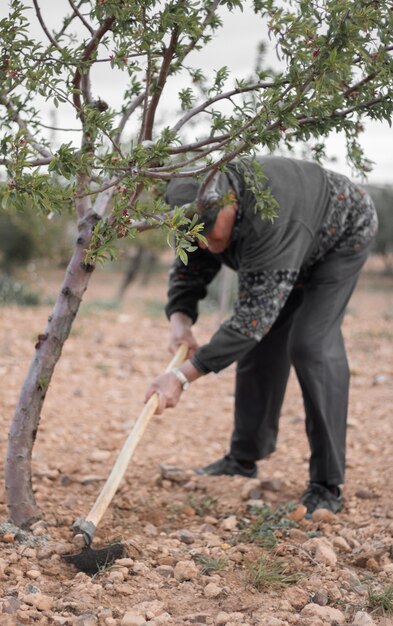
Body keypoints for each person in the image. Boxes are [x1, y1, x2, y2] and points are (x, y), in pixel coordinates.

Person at [145, 155, 378, 516]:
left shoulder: (270, 220)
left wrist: (180, 377)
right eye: (195, 236)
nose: (205, 243)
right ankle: (243, 459)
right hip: (289, 243)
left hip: (339, 237)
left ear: (231, 203)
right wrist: (180, 322)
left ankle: (327, 484)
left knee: (310, 345)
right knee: (260, 348)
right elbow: (190, 267)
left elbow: (252, 320)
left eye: (210, 232)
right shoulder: (196, 206)